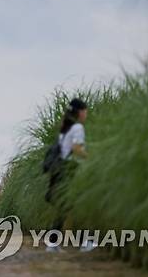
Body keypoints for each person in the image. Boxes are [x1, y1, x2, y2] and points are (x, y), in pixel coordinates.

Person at [46, 98, 89, 252]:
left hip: (61, 171)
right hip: (71, 170)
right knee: (81, 205)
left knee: (64, 207)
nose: (86, 114)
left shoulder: (65, 130)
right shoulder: (77, 128)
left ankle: (53, 243)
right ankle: (86, 242)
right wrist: (91, 157)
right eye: (85, 111)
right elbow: (77, 148)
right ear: (80, 112)